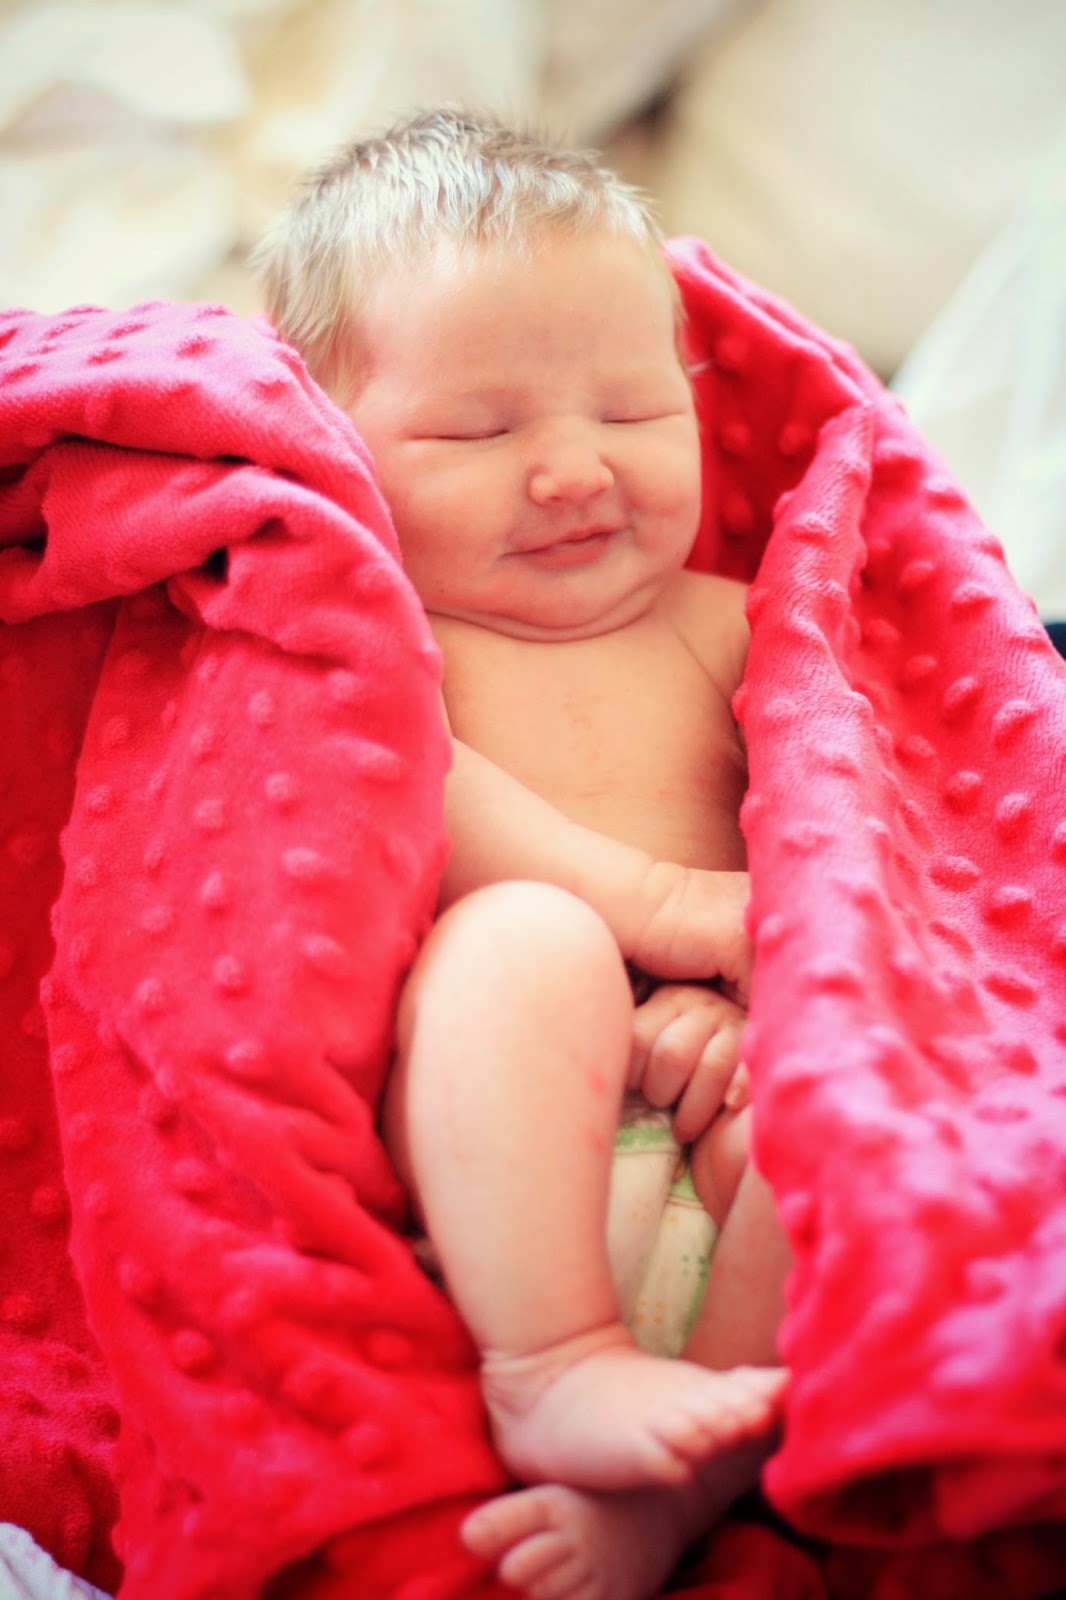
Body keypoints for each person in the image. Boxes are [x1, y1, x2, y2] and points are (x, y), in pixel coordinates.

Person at [253, 109, 792, 1600]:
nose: (569, 471)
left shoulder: (739, 624)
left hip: (729, 1156)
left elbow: (854, 832)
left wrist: (755, 1001)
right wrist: (663, 910)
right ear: (327, 445)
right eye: (477, 433)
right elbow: (397, 804)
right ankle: (554, 1364)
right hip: (496, 1175)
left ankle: (686, 1484)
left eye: (629, 412)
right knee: (530, 939)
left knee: (854, 1081)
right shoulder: (372, 637)